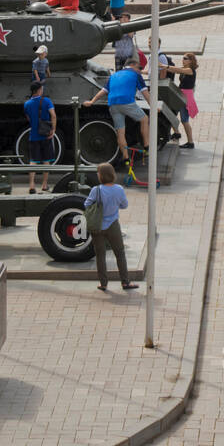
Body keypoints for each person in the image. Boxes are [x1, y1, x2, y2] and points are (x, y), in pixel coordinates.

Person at [85, 163, 138, 292]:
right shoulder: (119, 189)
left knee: (100, 255)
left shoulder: (96, 190)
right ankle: (125, 282)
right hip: (113, 224)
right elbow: (124, 205)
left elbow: (87, 204)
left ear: (101, 175)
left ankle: (103, 283)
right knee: (119, 253)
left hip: (97, 225)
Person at [83, 58, 149, 160]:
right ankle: (147, 147)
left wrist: (92, 101)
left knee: (120, 133)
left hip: (113, 105)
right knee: (144, 119)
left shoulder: (114, 75)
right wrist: (153, 107)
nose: (140, 70)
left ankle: (126, 157)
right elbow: (145, 93)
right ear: (133, 65)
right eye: (139, 67)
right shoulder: (136, 75)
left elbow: (104, 90)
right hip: (127, 102)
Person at [24, 80, 56, 192]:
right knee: (46, 160)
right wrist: (53, 129)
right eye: (41, 89)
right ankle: (44, 185)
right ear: (38, 90)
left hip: (33, 135)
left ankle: (32, 185)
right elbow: (53, 115)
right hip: (45, 135)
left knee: (33, 160)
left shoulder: (26, 104)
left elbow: (28, 118)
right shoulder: (47, 101)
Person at [164, 53, 198, 148]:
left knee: (184, 120)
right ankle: (177, 132)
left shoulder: (190, 70)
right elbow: (174, 69)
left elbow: (177, 70)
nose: (183, 60)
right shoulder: (184, 69)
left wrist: (163, 66)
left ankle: (190, 142)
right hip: (180, 96)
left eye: (185, 58)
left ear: (191, 61)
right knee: (170, 113)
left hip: (185, 98)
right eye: (183, 58)